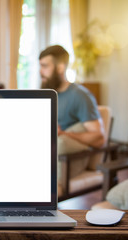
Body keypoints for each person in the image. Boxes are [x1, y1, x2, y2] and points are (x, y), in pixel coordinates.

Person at [39, 45, 106, 179]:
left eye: (45, 66)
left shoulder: (80, 96)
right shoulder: (48, 93)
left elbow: (99, 138)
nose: (41, 71)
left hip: (61, 157)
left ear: (60, 67)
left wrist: (63, 133)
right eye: (40, 66)